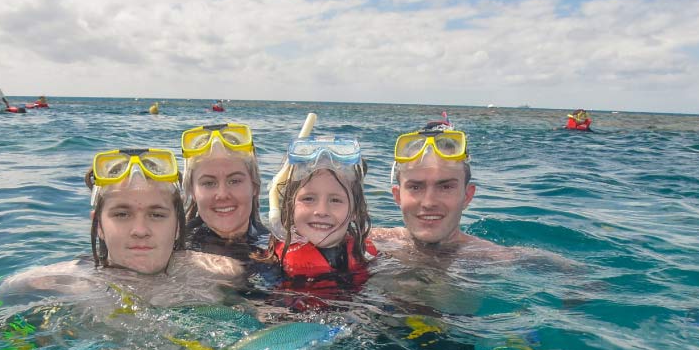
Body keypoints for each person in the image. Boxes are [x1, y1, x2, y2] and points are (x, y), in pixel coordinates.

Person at [0, 147, 242, 310]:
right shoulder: (47, 284)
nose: (140, 229)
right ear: (99, 225)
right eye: (122, 214)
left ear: (178, 226)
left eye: (156, 215)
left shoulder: (219, 273)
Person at [372, 121, 539, 263]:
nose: (429, 202)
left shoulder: (498, 258)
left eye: (445, 187)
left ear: (467, 196)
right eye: (415, 187)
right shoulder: (369, 240)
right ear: (397, 196)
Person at [269, 135, 377, 290]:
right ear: (290, 206)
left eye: (335, 200)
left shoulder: (364, 253)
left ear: (355, 210)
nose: (321, 211)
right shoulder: (271, 262)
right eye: (308, 199)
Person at [179, 122, 270, 261]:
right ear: (193, 192)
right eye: (209, 183)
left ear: (255, 187)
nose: (222, 194)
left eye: (234, 181)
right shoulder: (173, 249)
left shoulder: (274, 247)